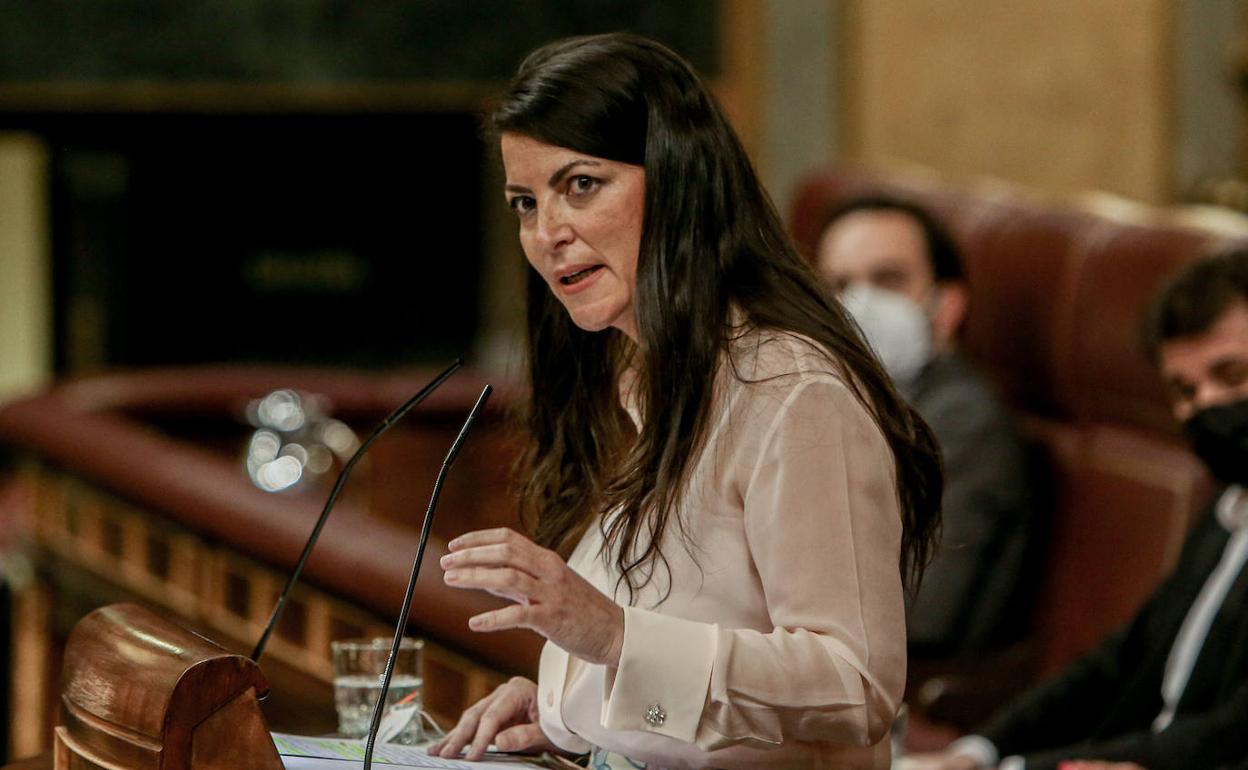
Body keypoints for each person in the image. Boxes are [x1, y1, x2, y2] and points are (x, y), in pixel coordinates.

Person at [427, 33, 943, 769]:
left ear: (677, 181)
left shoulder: (793, 394)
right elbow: (690, 641)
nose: (546, 234)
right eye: (524, 202)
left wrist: (614, 641)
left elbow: (853, 684)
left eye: (581, 185)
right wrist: (574, 706)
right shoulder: (631, 376)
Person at [905, 248, 1248, 770]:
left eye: (1231, 375)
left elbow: (1230, 736)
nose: (1205, 406)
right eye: (1184, 390)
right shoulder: (1229, 506)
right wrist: (977, 754)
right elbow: (1119, 661)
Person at [816, 197, 1033, 654]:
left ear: (946, 306)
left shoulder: (963, 424)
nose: (861, 304)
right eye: (839, 285)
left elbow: (922, 615)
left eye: (888, 280)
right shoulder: (833, 402)